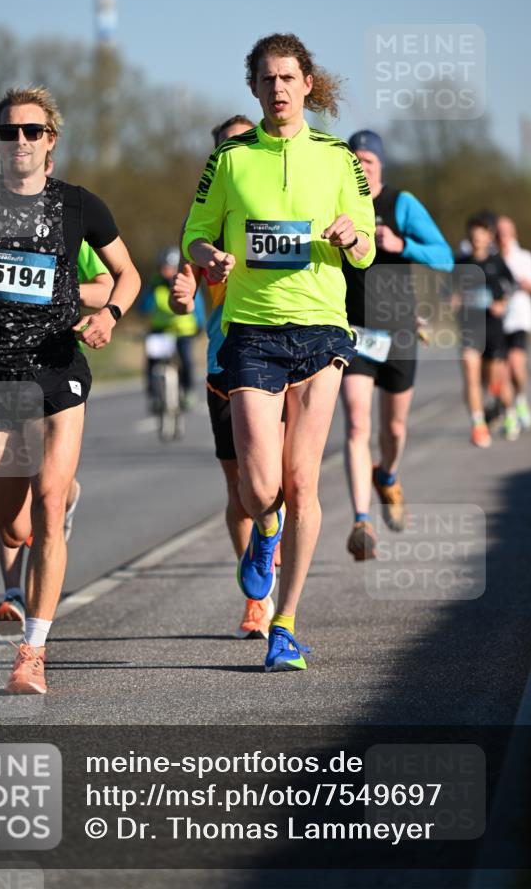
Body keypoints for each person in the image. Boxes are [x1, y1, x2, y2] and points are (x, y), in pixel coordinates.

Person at [0, 86, 141, 694]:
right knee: (15, 529)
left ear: (50, 141)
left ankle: (32, 652)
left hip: (55, 367)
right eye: (9, 132)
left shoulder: (80, 206)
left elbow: (129, 273)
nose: (20, 141)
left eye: (31, 131)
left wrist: (111, 315)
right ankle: (57, 507)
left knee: (46, 499)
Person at [182, 33, 375, 671]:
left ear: (307, 84)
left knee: (303, 480)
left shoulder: (338, 156)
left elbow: (367, 242)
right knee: (260, 487)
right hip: (253, 332)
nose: (279, 88)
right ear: (255, 88)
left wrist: (352, 237)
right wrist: (207, 255)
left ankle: (285, 624)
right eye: (267, 79)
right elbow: (195, 232)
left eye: (289, 77)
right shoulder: (232, 159)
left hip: (321, 328)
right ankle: (266, 532)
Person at [171, 113, 281, 640]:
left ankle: (274, 544)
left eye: (244, 145)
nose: (235, 156)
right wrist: (183, 288)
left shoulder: (284, 199)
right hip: (225, 365)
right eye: (225, 151)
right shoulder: (206, 219)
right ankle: (257, 598)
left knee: (285, 482)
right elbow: (184, 272)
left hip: (285, 360)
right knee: (240, 490)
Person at [340, 130, 454, 560]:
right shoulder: (338, 205)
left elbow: (444, 256)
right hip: (354, 331)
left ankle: (387, 476)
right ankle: (361, 522)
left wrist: (402, 244)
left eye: (369, 160)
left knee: (394, 429)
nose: (362, 167)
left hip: (400, 330)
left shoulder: (401, 204)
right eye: (356, 161)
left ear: (381, 165)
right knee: (355, 424)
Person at [0, 240, 113, 627]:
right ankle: (11, 591)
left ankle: (29, 619)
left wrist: (56, 291)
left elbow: (106, 285)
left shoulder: (70, 223)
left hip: (54, 368)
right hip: (2, 367)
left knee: (46, 493)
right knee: (12, 492)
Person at [455, 212, 516, 447]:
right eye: (473, 235)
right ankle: (478, 425)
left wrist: (503, 303)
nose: (477, 239)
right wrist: (453, 299)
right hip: (470, 328)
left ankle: (508, 412)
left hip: (493, 328)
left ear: (489, 237)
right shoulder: (460, 264)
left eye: (482, 235)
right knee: (470, 369)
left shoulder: (497, 263)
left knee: (494, 378)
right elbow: (446, 292)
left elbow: (511, 286)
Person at [139, 246, 204, 410]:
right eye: (163, 267)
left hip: (183, 331)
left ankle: (188, 391)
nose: (165, 271)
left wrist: (199, 325)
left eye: (169, 267)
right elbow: (144, 308)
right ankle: (154, 395)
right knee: (151, 362)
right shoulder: (155, 284)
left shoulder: (186, 282)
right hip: (160, 331)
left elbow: (198, 306)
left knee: (186, 360)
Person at [494, 215, 531, 431]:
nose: (502, 235)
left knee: (516, 364)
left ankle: (520, 399)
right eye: (498, 231)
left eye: (506, 231)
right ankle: (509, 413)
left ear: (513, 233)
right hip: (496, 320)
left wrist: (527, 284)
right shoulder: (491, 258)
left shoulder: (524, 257)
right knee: (500, 372)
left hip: (519, 317)